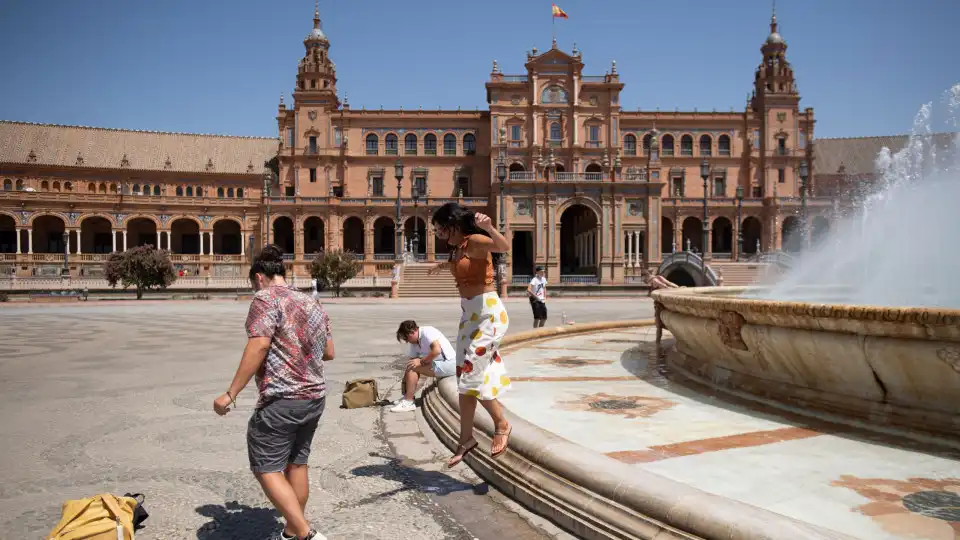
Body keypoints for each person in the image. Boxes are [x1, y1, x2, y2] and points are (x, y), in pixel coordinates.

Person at [213, 244, 332, 540]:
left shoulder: (264, 298)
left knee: (265, 466)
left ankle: (305, 533)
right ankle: (292, 532)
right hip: (314, 397)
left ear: (258, 276)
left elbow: (260, 345)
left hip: (281, 398)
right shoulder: (311, 301)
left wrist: (230, 394)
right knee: (297, 462)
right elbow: (328, 352)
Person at [427, 202, 513, 468]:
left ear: (454, 224)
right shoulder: (458, 249)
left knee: (471, 370)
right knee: (464, 377)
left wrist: (488, 227)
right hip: (469, 317)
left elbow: (503, 247)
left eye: (442, 229)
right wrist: (442, 267)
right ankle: (465, 439)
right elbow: (463, 265)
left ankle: (502, 423)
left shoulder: (474, 239)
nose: (440, 234)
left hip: (489, 315)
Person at [390, 320, 457, 413]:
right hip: (439, 364)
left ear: (412, 332)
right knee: (411, 365)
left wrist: (421, 361)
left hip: (450, 364)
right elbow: (411, 362)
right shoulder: (415, 342)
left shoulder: (427, 331)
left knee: (414, 367)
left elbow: (436, 350)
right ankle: (407, 397)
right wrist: (405, 385)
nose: (406, 341)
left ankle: (409, 402)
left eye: (406, 338)